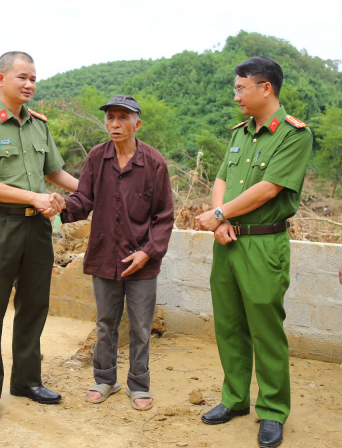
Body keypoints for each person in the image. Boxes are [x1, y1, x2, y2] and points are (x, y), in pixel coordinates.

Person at [195, 56, 313, 448]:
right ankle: (234, 400)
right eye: (235, 88)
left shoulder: (294, 134)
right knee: (229, 325)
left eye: (241, 88)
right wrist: (222, 220)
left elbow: (269, 188)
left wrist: (217, 213)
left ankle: (274, 411)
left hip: (264, 243)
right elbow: (222, 178)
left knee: (265, 329)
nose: (236, 96)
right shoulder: (241, 132)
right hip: (228, 240)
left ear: (266, 88)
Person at [0, 51, 78, 426]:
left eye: (34, 79)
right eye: (22, 77)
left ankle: (27, 381)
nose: (29, 85)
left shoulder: (39, 124)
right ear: (0, 79)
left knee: (34, 305)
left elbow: (55, 171)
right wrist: (32, 197)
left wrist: (95, 194)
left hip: (37, 229)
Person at [53, 94, 174, 411]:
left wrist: (147, 252)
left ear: (138, 122)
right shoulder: (97, 158)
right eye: (110, 118)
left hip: (141, 262)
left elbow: (164, 217)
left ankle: (139, 384)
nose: (115, 123)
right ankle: (105, 379)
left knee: (140, 327)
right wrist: (61, 205)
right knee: (106, 323)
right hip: (105, 255)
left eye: (123, 117)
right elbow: (83, 201)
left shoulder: (154, 163)